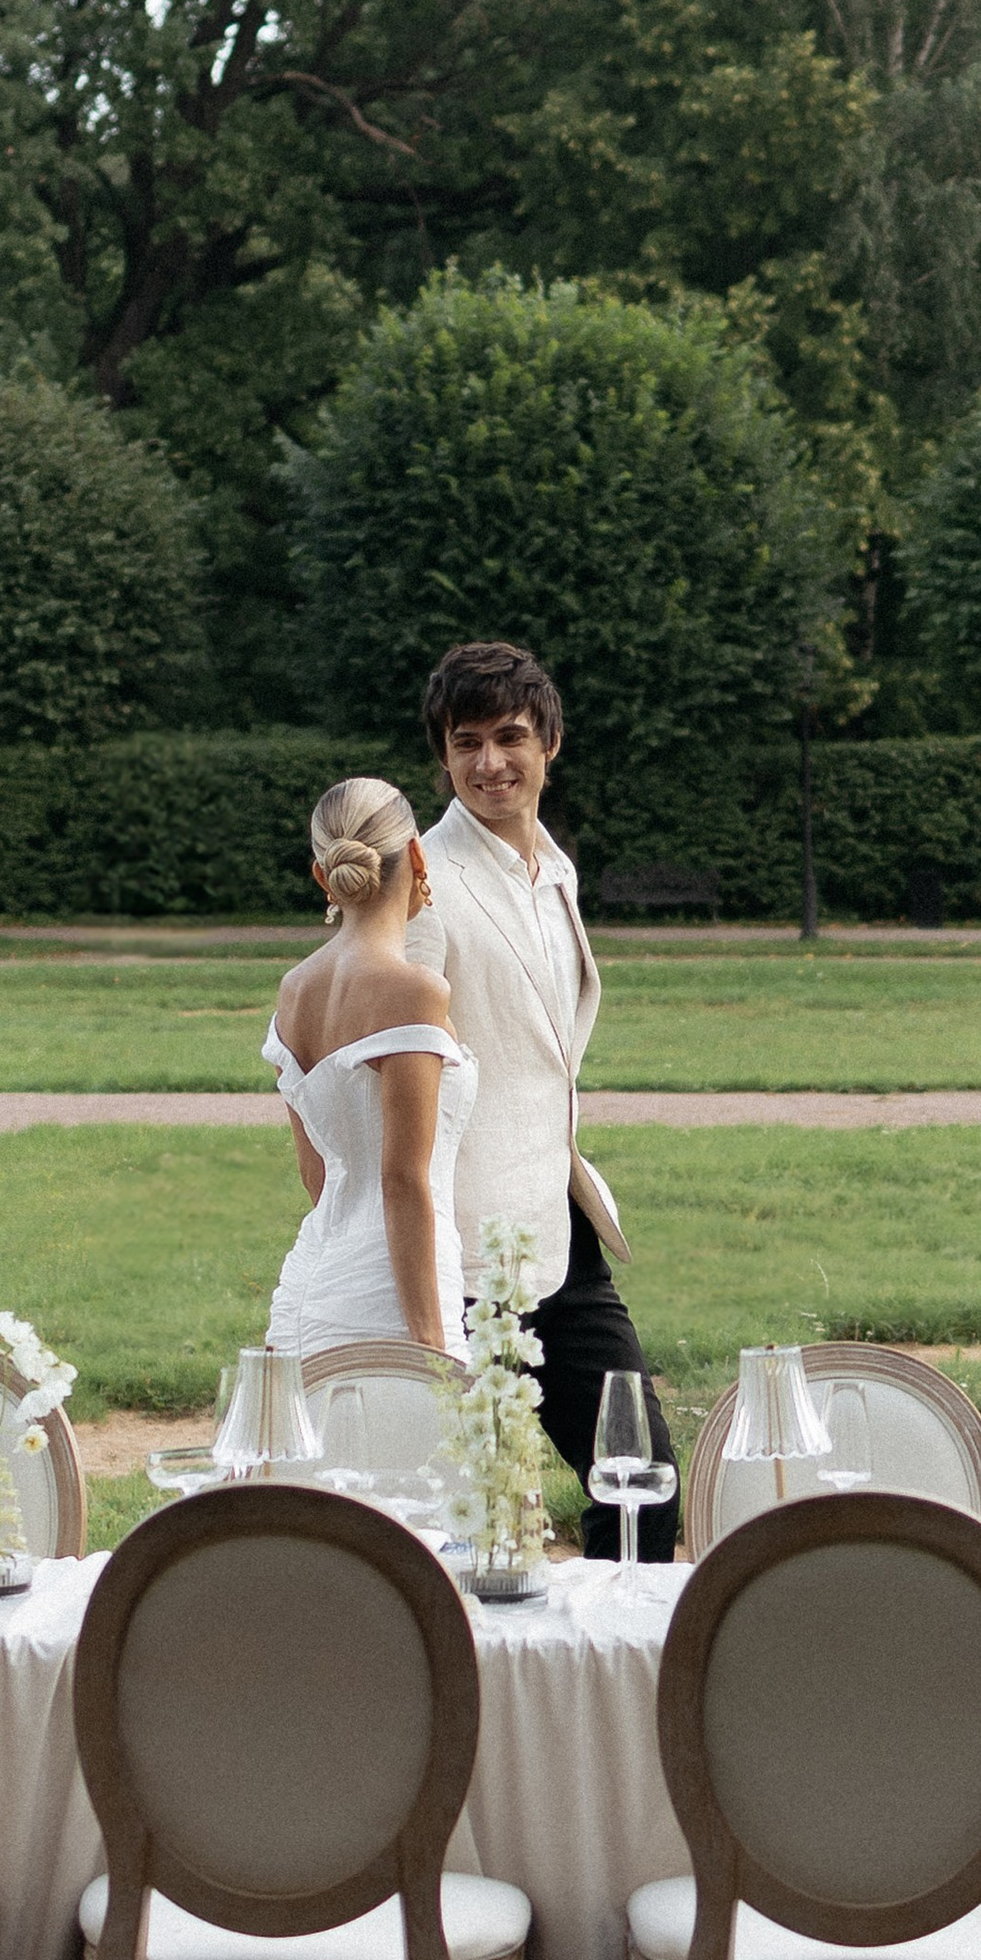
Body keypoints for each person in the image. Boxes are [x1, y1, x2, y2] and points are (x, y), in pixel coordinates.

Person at [411, 640, 678, 1561]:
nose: (490, 762)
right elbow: (397, 1076)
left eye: (510, 737)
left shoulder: (555, 872)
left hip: (560, 1231)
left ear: (550, 741)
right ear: (443, 755)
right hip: (466, 1250)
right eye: (466, 742)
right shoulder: (423, 882)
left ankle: (619, 1682)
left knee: (643, 1488)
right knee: (482, 1525)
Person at [263, 777, 478, 1359]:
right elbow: (403, 1179)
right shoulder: (414, 991)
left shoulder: (294, 992)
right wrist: (431, 1343)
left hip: (311, 1285)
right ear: (416, 854)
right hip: (396, 1303)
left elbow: (318, 1177)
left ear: (321, 877)